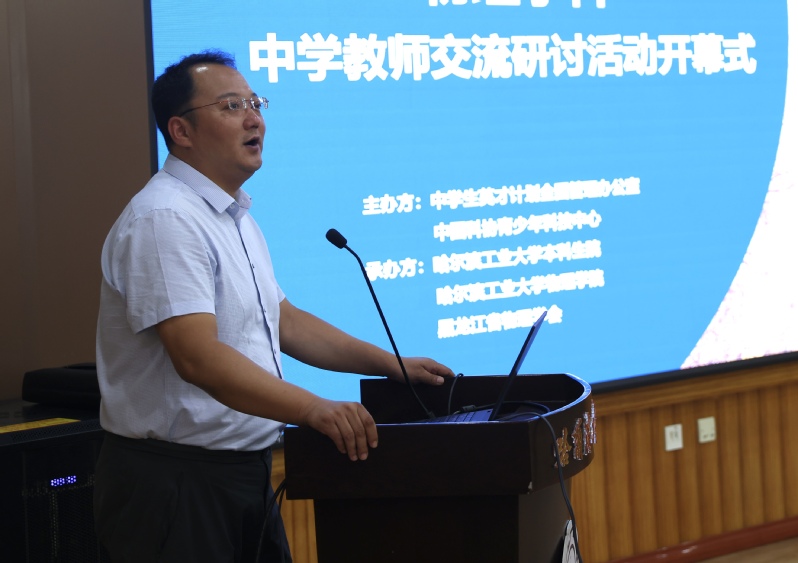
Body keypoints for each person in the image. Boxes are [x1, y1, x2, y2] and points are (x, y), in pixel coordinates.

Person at [93, 50, 454, 563]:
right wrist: (311, 408)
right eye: (231, 105)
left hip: (242, 472)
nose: (253, 118)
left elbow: (282, 320)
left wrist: (390, 365)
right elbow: (197, 357)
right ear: (181, 130)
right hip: (175, 483)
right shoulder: (164, 218)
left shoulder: (231, 215)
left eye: (255, 103)